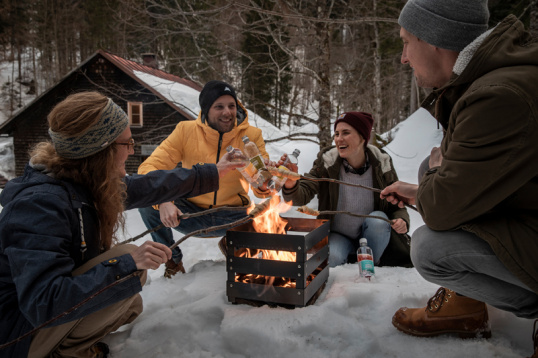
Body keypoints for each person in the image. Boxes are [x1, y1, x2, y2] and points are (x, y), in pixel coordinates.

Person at [0, 91, 241, 357]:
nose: (131, 150)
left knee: (130, 304)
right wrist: (129, 263)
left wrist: (213, 172)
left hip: (36, 321)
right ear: (99, 151)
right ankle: (63, 352)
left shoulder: (81, 180)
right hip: (16, 335)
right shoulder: (39, 207)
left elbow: (148, 185)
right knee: (126, 267)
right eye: (126, 143)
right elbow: (43, 303)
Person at [379, 0, 538, 356]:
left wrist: (434, 180)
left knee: (430, 249)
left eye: (406, 42)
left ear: (435, 38)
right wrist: (429, 182)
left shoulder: (499, 95)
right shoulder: (486, 77)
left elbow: (441, 210)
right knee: (428, 172)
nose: (403, 58)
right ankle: (467, 304)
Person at [138, 80, 272, 278]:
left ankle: (234, 245)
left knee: (267, 213)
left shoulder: (251, 136)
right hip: (189, 213)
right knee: (148, 204)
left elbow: (263, 190)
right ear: (206, 109)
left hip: (233, 216)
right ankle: (172, 261)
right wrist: (163, 201)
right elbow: (147, 169)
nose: (227, 112)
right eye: (219, 106)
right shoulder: (185, 130)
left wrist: (264, 181)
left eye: (231, 106)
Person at [281, 111, 411, 268]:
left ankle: (372, 263)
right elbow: (302, 195)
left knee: (379, 220)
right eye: (336, 134)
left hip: (372, 235)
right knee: (332, 258)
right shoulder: (327, 162)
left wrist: (402, 220)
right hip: (338, 235)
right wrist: (291, 182)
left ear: (363, 137)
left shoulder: (382, 165)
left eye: (346, 133)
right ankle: (350, 261)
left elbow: (396, 204)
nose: (338, 139)